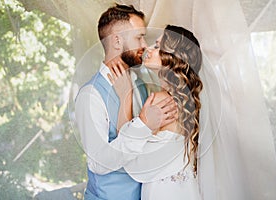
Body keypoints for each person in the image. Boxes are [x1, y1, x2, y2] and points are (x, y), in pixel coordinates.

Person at [75, 4, 177, 200]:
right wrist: (142, 126)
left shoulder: (141, 85)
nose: (145, 45)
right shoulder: (90, 95)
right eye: (139, 37)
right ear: (117, 41)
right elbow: (99, 164)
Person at [109, 25, 203, 200]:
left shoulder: (161, 99)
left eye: (158, 46)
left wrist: (125, 96)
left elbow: (130, 159)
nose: (149, 49)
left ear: (173, 57)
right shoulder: (187, 102)